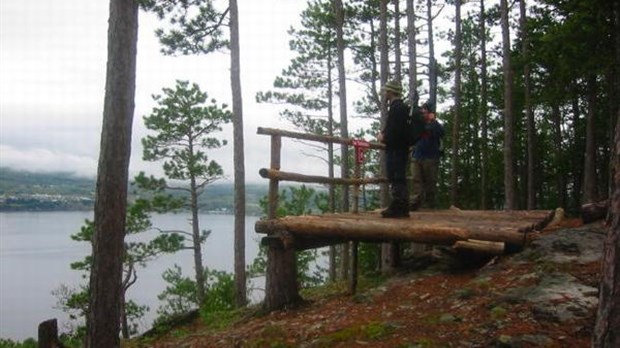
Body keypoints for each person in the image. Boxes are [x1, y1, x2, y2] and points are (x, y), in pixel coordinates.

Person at [377, 80, 410, 218]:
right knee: (398, 176)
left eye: (386, 91)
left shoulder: (396, 108)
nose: (384, 93)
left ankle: (398, 207)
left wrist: (383, 137)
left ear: (390, 92)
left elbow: (395, 131)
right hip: (401, 149)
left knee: (396, 176)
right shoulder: (401, 107)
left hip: (396, 149)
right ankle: (401, 207)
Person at [410, 101, 444, 211]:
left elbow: (441, 132)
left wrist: (432, 121)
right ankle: (415, 203)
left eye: (425, 112)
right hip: (417, 155)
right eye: (422, 112)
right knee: (416, 180)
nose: (423, 114)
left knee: (430, 181)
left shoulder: (435, 125)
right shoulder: (418, 124)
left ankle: (430, 204)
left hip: (431, 156)